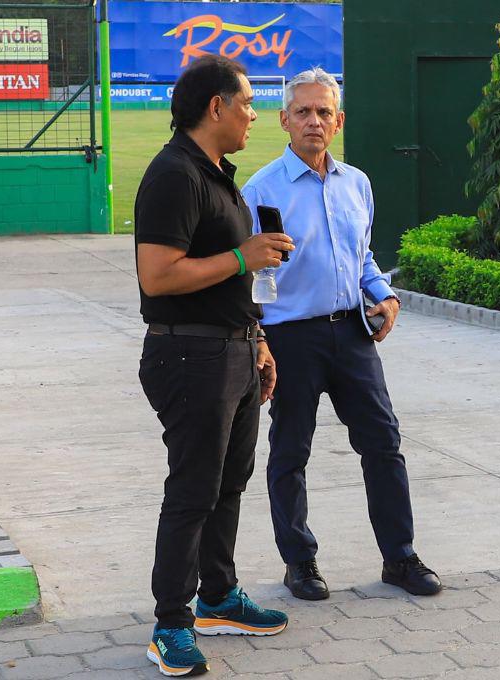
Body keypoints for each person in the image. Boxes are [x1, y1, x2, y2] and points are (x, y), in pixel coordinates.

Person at [241, 68, 442, 602]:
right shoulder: (262, 189)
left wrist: (386, 295)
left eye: (323, 112)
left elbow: (363, 259)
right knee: (290, 452)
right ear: (284, 120)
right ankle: (300, 562)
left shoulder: (357, 183)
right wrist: (258, 339)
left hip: (353, 336)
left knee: (384, 444)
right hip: (291, 340)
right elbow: (256, 275)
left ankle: (400, 557)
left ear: (339, 121)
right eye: (303, 112)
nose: (313, 121)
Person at [135, 55, 295, 677]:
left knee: (229, 482)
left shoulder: (216, 174)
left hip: (229, 348)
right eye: (249, 103)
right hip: (187, 354)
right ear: (216, 107)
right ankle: (170, 624)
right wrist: (244, 255)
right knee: (194, 489)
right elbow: (158, 274)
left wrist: (255, 339)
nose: (256, 115)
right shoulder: (175, 174)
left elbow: (231, 276)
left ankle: (218, 596)